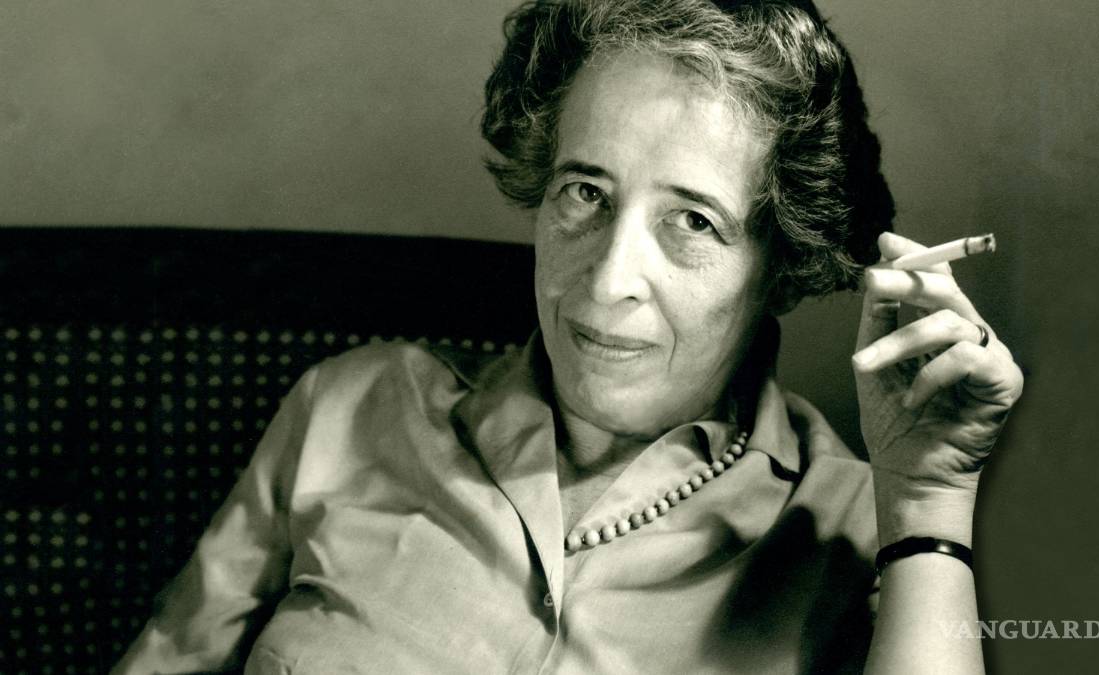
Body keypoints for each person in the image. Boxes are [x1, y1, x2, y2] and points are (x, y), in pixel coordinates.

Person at [115, 0, 1023, 673]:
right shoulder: (348, 409)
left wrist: (929, 511)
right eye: (585, 191)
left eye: (692, 221)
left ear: (778, 262)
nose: (605, 277)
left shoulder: (861, 526)